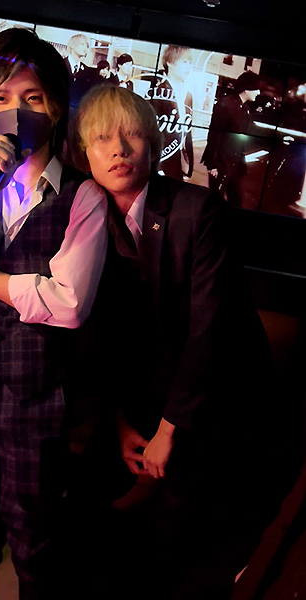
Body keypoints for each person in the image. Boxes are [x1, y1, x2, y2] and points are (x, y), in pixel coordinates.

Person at [69, 85, 297, 599]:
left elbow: (208, 333)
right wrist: (120, 420)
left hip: (220, 402)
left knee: (177, 544)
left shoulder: (197, 210)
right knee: (79, 514)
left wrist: (170, 429)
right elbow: (103, 334)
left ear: (153, 144)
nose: (118, 149)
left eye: (131, 135)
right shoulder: (85, 218)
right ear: (84, 154)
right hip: (144, 396)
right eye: (103, 138)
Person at [0, 28, 108, 600]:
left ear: (55, 107)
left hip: (35, 395)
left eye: (32, 98)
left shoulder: (83, 196)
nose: (16, 112)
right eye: (1, 99)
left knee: (34, 537)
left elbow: (68, 303)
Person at [201, 70, 261, 209]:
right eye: (256, 89)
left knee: (237, 201)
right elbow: (214, 135)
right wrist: (212, 164)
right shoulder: (225, 105)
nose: (258, 93)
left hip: (236, 165)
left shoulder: (245, 109)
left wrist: (279, 136)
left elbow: (252, 130)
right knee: (215, 202)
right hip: (221, 164)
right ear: (246, 89)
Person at [146, 45, 194, 180]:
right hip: (161, 163)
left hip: (179, 163)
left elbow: (187, 132)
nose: (188, 67)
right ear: (170, 63)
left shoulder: (188, 96)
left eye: (190, 63)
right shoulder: (157, 93)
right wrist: (157, 165)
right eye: (184, 62)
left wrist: (188, 165)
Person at [63, 32, 98, 115]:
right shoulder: (59, 64)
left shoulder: (88, 71)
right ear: (72, 45)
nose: (85, 48)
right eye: (82, 44)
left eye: (87, 46)